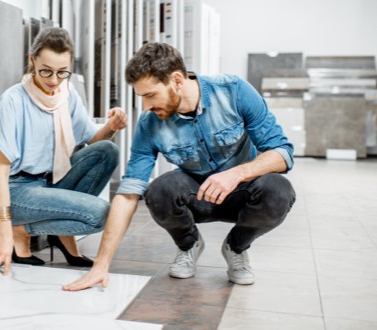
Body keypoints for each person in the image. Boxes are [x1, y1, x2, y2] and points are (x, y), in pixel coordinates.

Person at [63, 42, 296, 291]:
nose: (146, 106)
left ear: (176, 80)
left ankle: (236, 247)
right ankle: (189, 245)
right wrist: (101, 264)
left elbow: (282, 153)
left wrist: (236, 174)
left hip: (242, 191)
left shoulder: (234, 91)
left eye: (150, 95)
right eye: (141, 97)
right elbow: (129, 192)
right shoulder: (149, 123)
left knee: (278, 191)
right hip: (196, 195)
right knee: (159, 190)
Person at [0, 27, 127, 276]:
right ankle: (22, 230)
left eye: (62, 72)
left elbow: (92, 140)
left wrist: (111, 127)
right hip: (16, 188)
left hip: (49, 181)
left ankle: (60, 235)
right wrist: (5, 232)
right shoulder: (13, 99)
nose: (53, 80)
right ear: (32, 60)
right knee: (101, 213)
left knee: (107, 150)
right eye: (46, 71)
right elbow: (1, 170)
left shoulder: (65, 94)